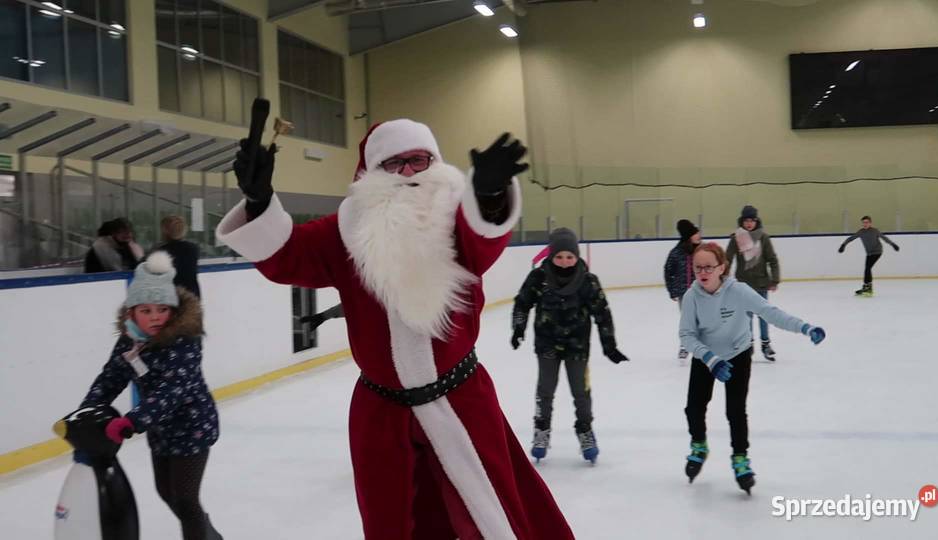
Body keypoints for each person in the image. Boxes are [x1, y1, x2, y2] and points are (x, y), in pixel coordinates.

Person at [216, 119, 574, 539]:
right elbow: (288, 257)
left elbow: (485, 239)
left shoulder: (454, 221)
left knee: (491, 517)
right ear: (371, 174)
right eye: (394, 163)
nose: (407, 172)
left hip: (461, 399)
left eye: (418, 160)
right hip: (381, 412)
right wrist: (260, 203)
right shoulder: (344, 232)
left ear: (434, 163)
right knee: (394, 523)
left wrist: (489, 194)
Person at [78, 251, 221, 540]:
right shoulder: (129, 341)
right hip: (160, 429)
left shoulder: (185, 340)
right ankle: (207, 533)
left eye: (162, 309)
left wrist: (133, 420)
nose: (155, 317)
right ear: (132, 312)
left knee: (185, 498)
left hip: (192, 426)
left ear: (173, 309)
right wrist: (87, 410)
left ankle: (203, 535)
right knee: (165, 491)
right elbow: (111, 377)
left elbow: (173, 390)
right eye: (146, 311)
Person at [679, 243, 825, 494]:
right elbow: (686, 336)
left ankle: (740, 457)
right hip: (707, 357)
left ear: (721, 268)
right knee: (694, 406)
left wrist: (805, 327)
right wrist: (711, 359)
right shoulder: (692, 296)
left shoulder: (738, 291)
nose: (702, 272)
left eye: (708, 267)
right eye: (697, 267)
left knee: (735, 410)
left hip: (738, 354)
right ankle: (699, 445)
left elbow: (770, 313)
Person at [511, 227, 629, 464]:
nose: (564, 262)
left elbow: (602, 314)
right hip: (547, 345)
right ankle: (541, 431)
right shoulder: (539, 278)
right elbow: (522, 303)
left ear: (577, 256)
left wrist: (610, 346)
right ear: (551, 256)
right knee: (545, 391)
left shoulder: (587, 281)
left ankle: (585, 431)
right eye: (559, 256)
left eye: (570, 256)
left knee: (581, 393)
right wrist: (518, 328)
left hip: (577, 347)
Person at [725, 205, 781, 361]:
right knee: (746, 317)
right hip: (743, 285)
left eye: (752, 220)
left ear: (756, 221)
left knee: (763, 316)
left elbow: (772, 260)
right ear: (742, 221)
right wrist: (722, 277)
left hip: (761, 284)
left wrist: (774, 279)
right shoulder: (736, 238)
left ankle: (766, 344)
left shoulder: (763, 238)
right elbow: (727, 260)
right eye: (746, 221)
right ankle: (748, 345)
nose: (749, 224)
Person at [664, 219, 702, 361]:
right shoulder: (676, 252)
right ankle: (684, 346)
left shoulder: (701, 250)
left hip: (701, 291)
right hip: (684, 293)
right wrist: (672, 290)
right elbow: (668, 270)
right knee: (687, 320)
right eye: (695, 233)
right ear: (688, 236)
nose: (699, 236)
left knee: (702, 318)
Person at [838, 215, 900, 297]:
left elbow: (884, 238)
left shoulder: (875, 231)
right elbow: (851, 238)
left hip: (877, 252)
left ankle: (868, 288)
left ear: (870, 223)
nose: (865, 224)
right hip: (869, 253)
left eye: (867, 222)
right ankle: (866, 287)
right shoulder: (861, 232)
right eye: (863, 223)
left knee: (868, 268)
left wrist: (893, 244)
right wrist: (843, 245)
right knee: (867, 268)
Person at [153, 215, 201, 298]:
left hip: (170, 296)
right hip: (192, 295)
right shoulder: (193, 248)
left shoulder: (162, 251)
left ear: (165, 231)